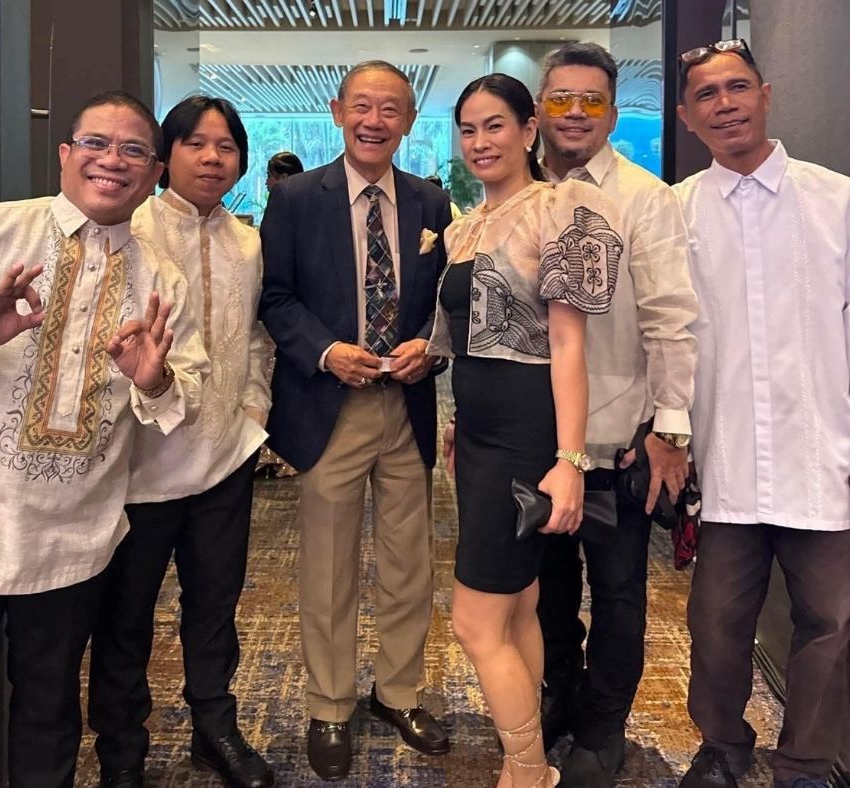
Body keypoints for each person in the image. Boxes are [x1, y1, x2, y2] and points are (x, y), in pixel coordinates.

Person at [0, 90, 207, 788]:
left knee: (49, 722)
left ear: (154, 172)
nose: (113, 160)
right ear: (66, 154)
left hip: (73, 538)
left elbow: (184, 399)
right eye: (96, 143)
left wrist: (155, 380)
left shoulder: (162, 279)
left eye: (133, 150)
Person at [259, 60, 452, 782]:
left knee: (409, 563)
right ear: (338, 110)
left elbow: (447, 300)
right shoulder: (295, 199)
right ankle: (329, 704)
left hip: (406, 403)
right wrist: (325, 350)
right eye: (362, 106)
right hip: (330, 404)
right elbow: (275, 298)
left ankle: (397, 692)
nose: (375, 121)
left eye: (391, 109)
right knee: (329, 565)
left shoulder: (432, 201)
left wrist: (428, 347)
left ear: (409, 121)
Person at [429, 73, 623, 788]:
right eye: (469, 129)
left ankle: (525, 770)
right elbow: (471, 340)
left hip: (527, 431)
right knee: (517, 609)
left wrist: (570, 459)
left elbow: (568, 346)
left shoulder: (559, 208)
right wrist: (458, 417)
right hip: (479, 430)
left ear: (528, 130)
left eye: (496, 126)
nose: (481, 142)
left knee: (474, 624)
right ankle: (532, 762)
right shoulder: (464, 226)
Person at [673, 39, 850, 788]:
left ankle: (806, 762)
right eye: (706, 95)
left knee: (832, 625)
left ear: (766, 94)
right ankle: (722, 745)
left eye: (737, 87)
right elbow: (666, 337)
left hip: (825, 455)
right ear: (686, 116)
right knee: (716, 625)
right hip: (726, 459)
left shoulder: (837, 201)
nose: (725, 105)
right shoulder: (676, 212)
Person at [87, 96, 274, 788]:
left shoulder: (247, 242)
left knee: (215, 607)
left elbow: (256, 336)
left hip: (224, 458)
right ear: (167, 157)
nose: (212, 158)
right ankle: (122, 751)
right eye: (196, 143)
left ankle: (214, 729)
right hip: (139, 467)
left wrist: (253, 409)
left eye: (226, 146)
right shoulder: (132, 227)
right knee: (126, 616)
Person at [532, 42, 699, 788]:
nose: (574, 113)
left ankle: (604, 727)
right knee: (546, 589)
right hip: (533, 438)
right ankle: (560, 695)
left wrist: (669, 429)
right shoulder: (519, 191)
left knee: (619, 591)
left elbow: (671, 319)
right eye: (560, 98)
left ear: (612, 111)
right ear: (540, 107)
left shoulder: (644, 197)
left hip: (617, 437)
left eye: (590, 100)